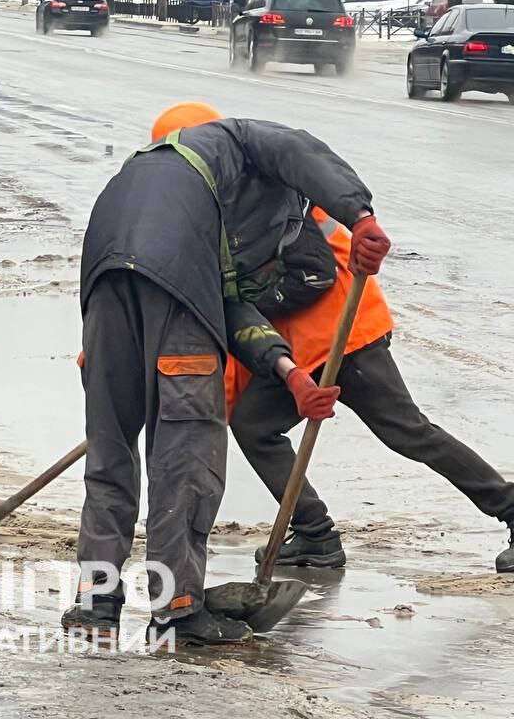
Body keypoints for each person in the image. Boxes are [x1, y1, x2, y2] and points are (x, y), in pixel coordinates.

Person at [61, 101, 390, 646]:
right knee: (186, 450)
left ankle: (95, 605)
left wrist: (290, 375)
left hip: (103, 276)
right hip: (165, 284)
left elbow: (227, 304)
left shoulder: (161, 190)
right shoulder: (238, 140)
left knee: (110, 448)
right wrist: (360, 216)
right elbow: (298, 148)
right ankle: (178, 611)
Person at [226, 207, 514, 575]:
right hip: (301, 347)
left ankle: (509, 506)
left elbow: (315, 274)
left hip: (345, 335)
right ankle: (315, 534)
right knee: (254, 426)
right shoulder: (231, 192)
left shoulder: (260, 190)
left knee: (408, 432)